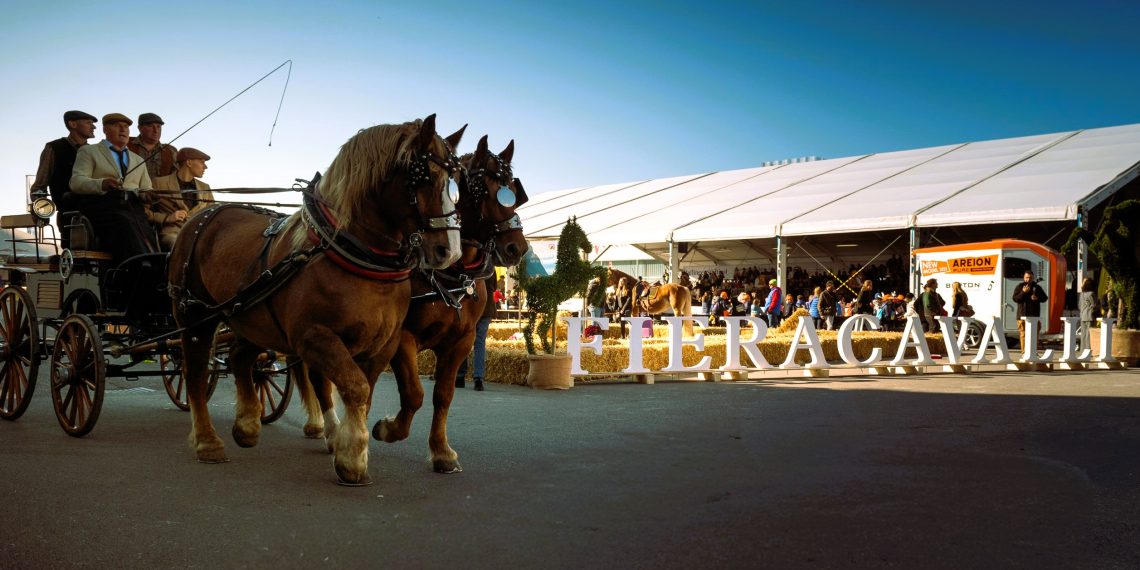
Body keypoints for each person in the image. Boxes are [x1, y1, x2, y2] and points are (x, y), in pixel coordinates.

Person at [69, 113, 157, 261]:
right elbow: (76, 182)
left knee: (145, 228)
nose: (123, 130)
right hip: (102, 208)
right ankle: (140, 265)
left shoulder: (139, 160)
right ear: (105, 129)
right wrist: (102, 183)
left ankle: (154, 265)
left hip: (133, 209)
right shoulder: (89, 151)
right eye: (117, 125)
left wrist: (148, 195)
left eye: (126, 127)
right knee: (125, 222)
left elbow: (146, 188)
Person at [149, 147, 213, 250]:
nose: (205, 167)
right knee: (181, 245)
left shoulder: (205, 188)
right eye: (202, 162)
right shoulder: (159, 183)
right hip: (173, 234)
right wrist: (167, 218)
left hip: (199, 234)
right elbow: (144, 211)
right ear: (189, 162)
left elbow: (212, 214)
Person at [31, 110, 99, 206]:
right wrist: (42, 214)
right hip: (69, 213)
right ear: (73, 124)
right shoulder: (55, 147)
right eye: (88, 122)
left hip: (97, 211)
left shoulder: (94, 151)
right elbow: (39, 187)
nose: (94, 127)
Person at [456, 277, 498, 391]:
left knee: (463, 340)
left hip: (470, 309)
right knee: (480, 344)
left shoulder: (469, 266)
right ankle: (478, 379)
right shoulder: (489, 267)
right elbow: (494, 287)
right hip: (486, 308)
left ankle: (460, 376)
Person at [128, 113, 177, 180]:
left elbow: (177, 177)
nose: (156, 131)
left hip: (160, 190)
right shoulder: (126, 144)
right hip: (130, 189)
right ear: (140, 128)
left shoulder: (170, 151)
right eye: (151, 126)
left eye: (158, 127)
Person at [1012, 271, 1048, 350]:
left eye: (1030, 277)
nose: (1028, 279)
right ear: (1024, 278)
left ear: (1033, 278)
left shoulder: (1037, 287)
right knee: (1023, 335)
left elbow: (1045, 298)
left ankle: (1033, 352)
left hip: (1034, 315)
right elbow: (1015, 299)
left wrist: (1037, 298)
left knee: (1034, 335)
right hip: (1022, 315)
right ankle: (1024, 352)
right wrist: (1023, 292)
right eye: (1027, 277)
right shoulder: (1019, 287)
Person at [1078, 277, 1099, 351]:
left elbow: (1079, 305)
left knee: (1083, 334)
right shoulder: (1091, 294)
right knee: (1089, 334)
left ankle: (1083, 350)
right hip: (1090, 316)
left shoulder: (1082, 294)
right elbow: (1094, 304)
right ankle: (1088, 349)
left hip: (1083, 316)